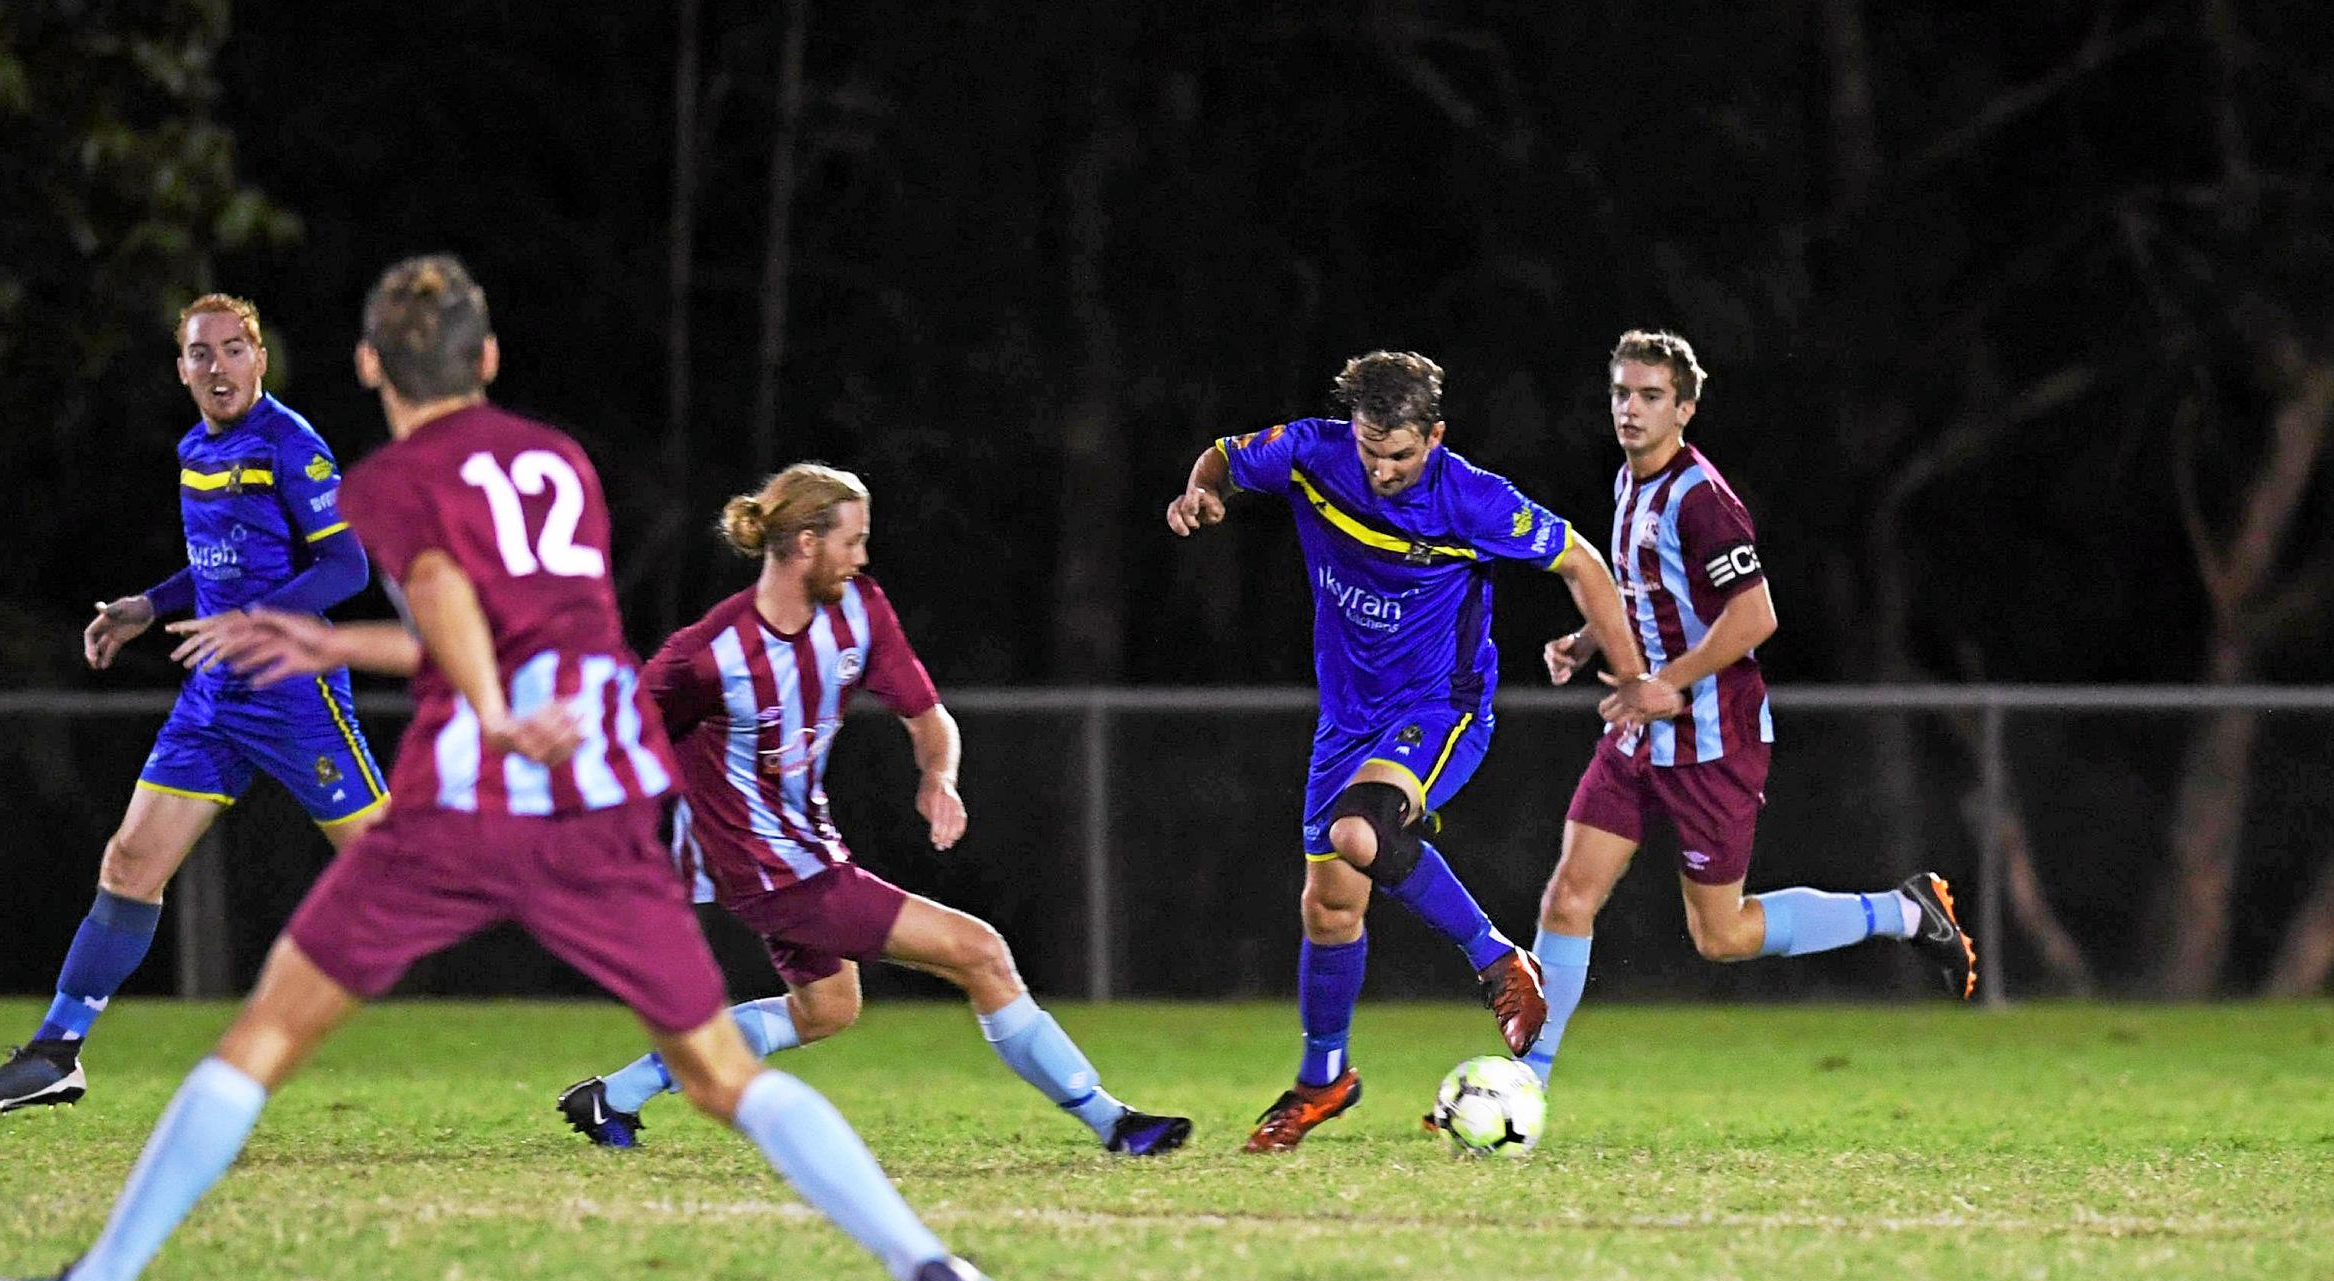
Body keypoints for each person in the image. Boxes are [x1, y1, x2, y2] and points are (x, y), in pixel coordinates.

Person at [0, 255, 995, 1281]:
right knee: (715, 1070)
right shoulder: (561, 463)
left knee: (265, 1037)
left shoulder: (388, 482)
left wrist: (454, 691)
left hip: (469, 802)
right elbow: (545, 621)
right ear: (491, 358)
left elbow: (447, 615)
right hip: (599, 792)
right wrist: (362, 646)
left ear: (371, 363)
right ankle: (933, 1269)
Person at [547, 464, 1191, 1157]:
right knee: (981, 953)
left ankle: (614, 1096)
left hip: (809, 847)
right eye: (851, 542)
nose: (861, 556)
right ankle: (1112, 1121)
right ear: (802, 544)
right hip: (770, 866)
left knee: (827, 1008)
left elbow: (928, 716)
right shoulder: (710, 656)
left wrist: (939, 776)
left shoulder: (860, 608)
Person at [1167, 350, 1647, 1152]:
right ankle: (1326, 1080)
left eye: (1399, 453)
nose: (1382, 468)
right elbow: (1224, 453)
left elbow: (1582, 562)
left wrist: (1631, 676)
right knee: (1329, 907)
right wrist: (1202, 490)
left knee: (1361, 833)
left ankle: (1499, 960)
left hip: (1438, 708)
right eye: (1369, 449)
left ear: (1435, 436)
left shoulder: (1472, 498)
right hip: (1347, 719)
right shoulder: (1315, 452)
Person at [0, 294, 386, 1114]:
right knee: (129, 863)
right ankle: (57, 1050)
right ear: (182, 368)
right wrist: (147, 605)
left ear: (259, 358)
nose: (217, 366)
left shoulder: (291, 444)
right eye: (199, 353)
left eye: (232, 349)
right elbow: (218, 565)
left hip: (291, 688)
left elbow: (347, 566)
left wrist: (249, 621)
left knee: (397, 870)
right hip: (215, 694)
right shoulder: (195, 449)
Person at [1523, 329, 1977, 1089]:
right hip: (1642, 730)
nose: (1630, 410)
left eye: (1650, 396)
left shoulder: (1703, 500)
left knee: (1722, 934)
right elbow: (1648, 596)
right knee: (1569, 895)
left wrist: (1671, 681)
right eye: (1620, 393)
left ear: (1686, 409)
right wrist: (1584, 637)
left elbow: (1755, 614)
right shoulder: (1628, 481)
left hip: (1711, 739)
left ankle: (1904, 911)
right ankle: (1527, 1083)